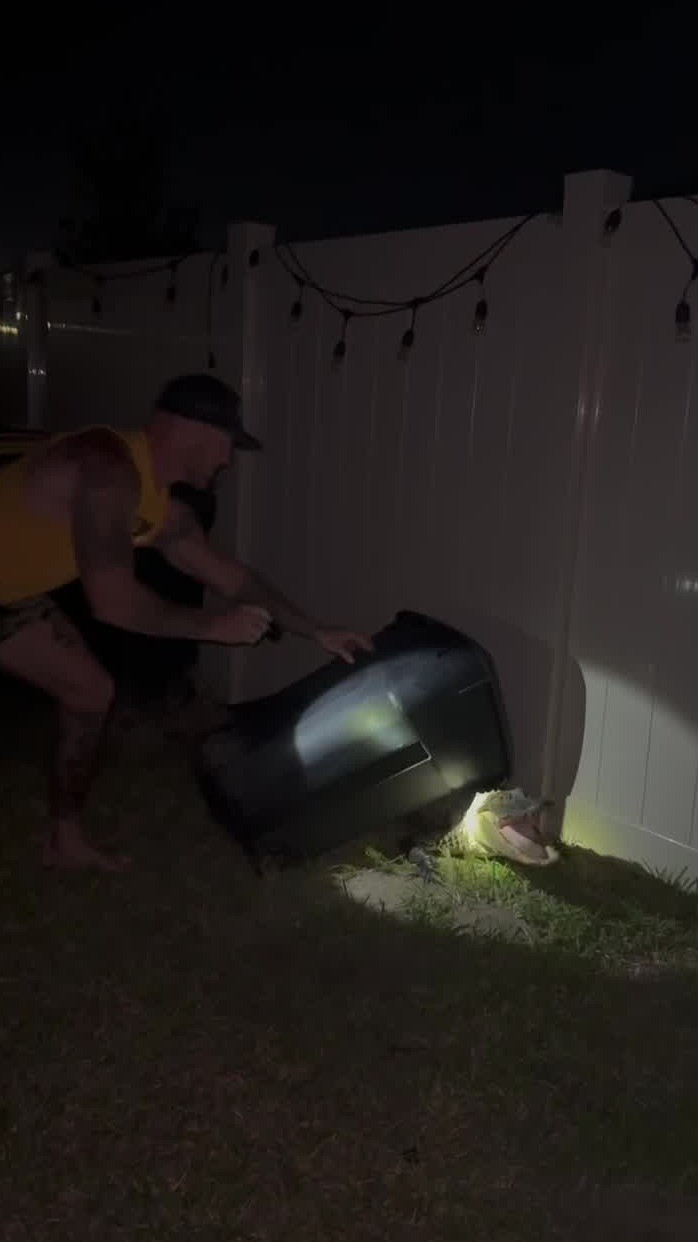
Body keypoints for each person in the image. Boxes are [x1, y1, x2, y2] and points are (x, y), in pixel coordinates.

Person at [0, 373, 373, 871]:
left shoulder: (160, 507)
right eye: (228, 443)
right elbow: (112, 601)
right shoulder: (105, 468)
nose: (228, 459)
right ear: (192, 431)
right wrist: (211, 627)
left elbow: (232, 578)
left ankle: (64, 842)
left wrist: (315, 629)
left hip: (11, 596)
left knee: (89, 691)